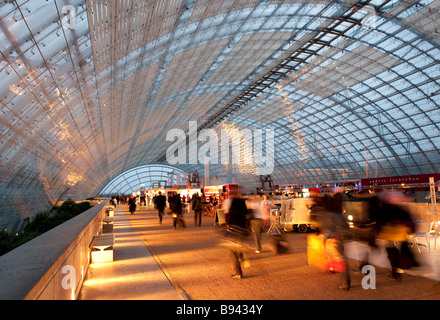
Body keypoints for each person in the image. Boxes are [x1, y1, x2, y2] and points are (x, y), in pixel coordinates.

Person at [375, 191, 418, 282]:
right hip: (402, 234)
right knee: (400, 250)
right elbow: (410, 221)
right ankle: (398, 269)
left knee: (391, 251)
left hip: (389, 233)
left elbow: (381, 220)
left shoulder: (386, 209)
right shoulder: (403, 210)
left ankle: (395, 270)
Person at [320, 194, 351, 290]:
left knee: (341, 260)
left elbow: (328, 228)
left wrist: (326, 239)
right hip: (341, 239)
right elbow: (347, 228)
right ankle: (344, 282)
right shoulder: (340, 215)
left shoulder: (328, 215)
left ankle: (345, 284)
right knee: (341, 259)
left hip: (332, 240)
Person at [224, 190, 250, 279]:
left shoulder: (234, 202)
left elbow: (230, 217)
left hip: (234, 231)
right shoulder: (243, 203)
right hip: (242, 230)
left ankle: (238, 272)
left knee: (233, 251)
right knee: (239, 245)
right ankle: (242, 256)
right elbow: (247, 215)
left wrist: (227, 229)